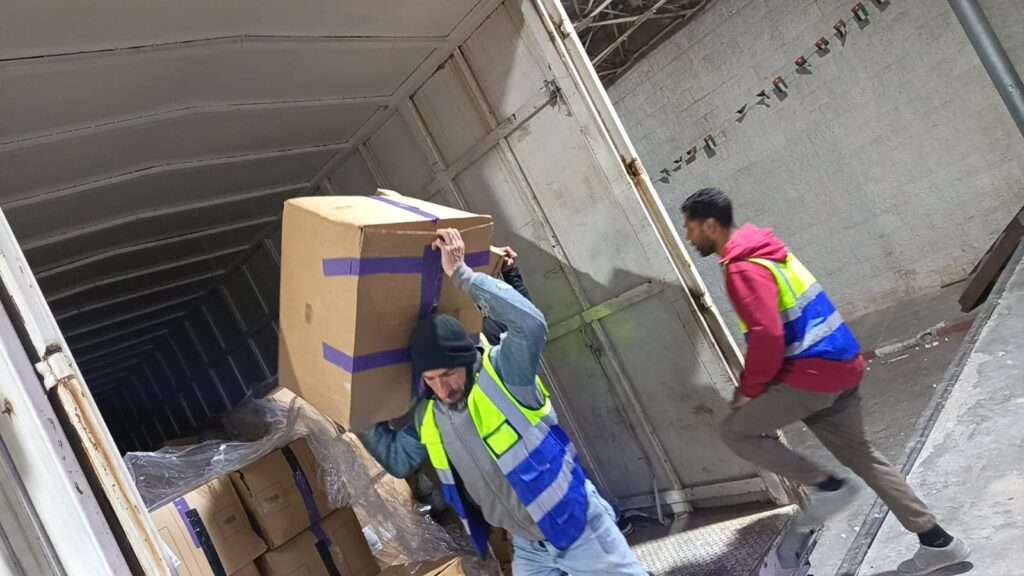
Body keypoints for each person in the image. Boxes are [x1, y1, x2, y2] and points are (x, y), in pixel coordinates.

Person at [679, 188, 970, 576]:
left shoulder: (743, 268)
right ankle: (938, 542)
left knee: (736, 431)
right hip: (842, 365)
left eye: (690, 227)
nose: (688, 236)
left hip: (811, 376)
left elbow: (767, 336)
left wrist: (748, 392)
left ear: (710, 225)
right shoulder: (769, 251)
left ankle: (827, 487)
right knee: (863, 456)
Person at [358, 229, 647, 575]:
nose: (442, 388)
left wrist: (462, 274)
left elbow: (530, 325)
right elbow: (398, 460)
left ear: (466, 359)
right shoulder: (429, 414)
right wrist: (354, 406)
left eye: (448, 374)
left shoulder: (505, 374)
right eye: (430, 379)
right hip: (526, 544)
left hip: (576, 527)